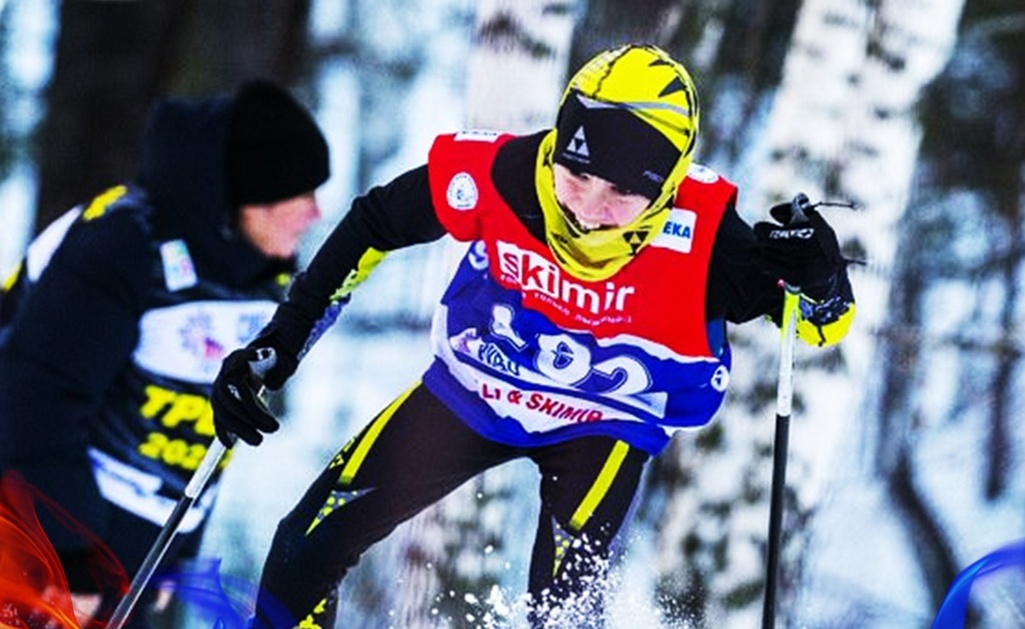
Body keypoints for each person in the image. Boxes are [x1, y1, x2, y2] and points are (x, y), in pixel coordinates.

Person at [211, 44, 856, 628]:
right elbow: (375, 223)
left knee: (561, 615)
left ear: (666, 190)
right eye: (576, 175)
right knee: (304, 546)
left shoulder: (708, 240)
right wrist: (280, 345)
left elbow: (820, 324)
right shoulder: (502, 175)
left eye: (620, 192)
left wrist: (822, 278)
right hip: (475, 393)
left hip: (603, 422)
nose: (588, 209)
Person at [0, 79, 330, 627]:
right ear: (252, 194)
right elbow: (35, 401)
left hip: (124, 572)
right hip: (40, 553)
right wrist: (70, 562)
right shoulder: (123, 243)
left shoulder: (257, 276)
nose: (315, 213)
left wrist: (172, 556)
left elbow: (207, 434)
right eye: (301, 193)